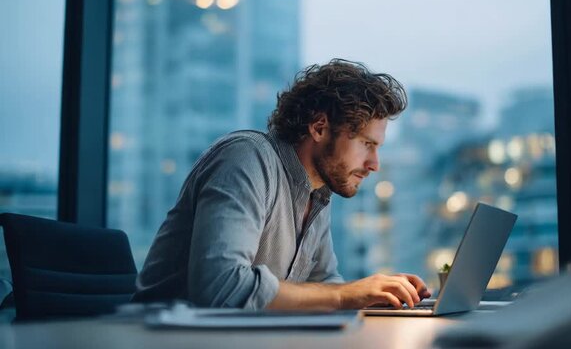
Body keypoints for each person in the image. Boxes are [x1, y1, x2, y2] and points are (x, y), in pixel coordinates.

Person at [132, 59, 431, 310]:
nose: (374, 164)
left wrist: (377, 296)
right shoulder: (245, 158)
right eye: (367, 144)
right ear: (319, 128)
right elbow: (219, 287)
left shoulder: (318, 191)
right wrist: (344, 295)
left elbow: (322, 286)